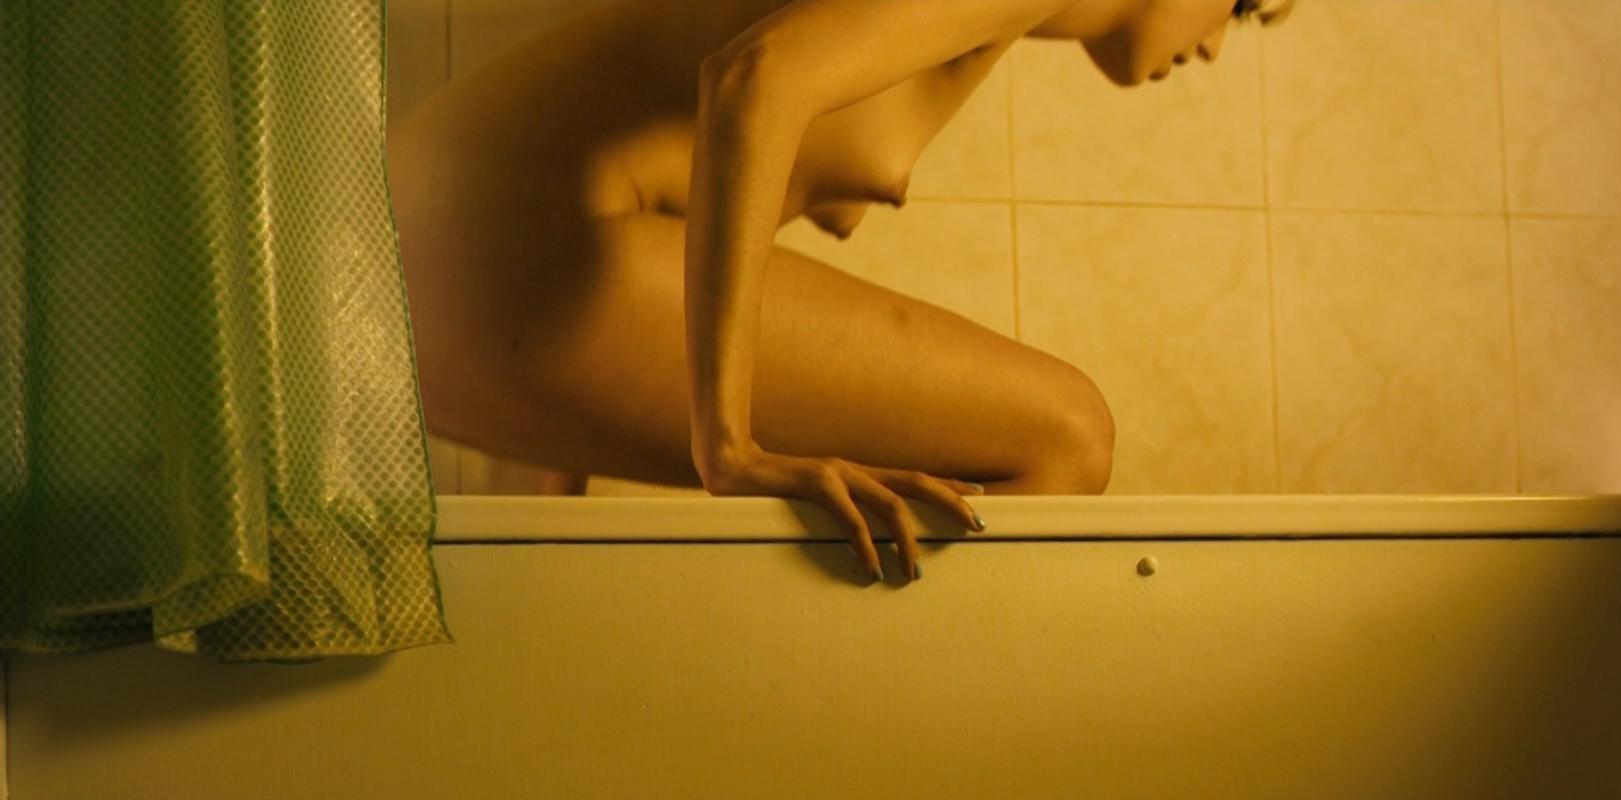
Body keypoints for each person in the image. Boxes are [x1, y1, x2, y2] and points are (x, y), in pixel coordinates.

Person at [385, 0, 1291, 583]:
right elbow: (759, 76)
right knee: (1067, 432)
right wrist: (726, 446)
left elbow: (685, 204)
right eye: (1245, 5)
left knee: (1054, 438)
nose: (1218, 47)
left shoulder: (981, 31)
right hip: (499, 242)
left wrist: (556, 488)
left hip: (445, 271)